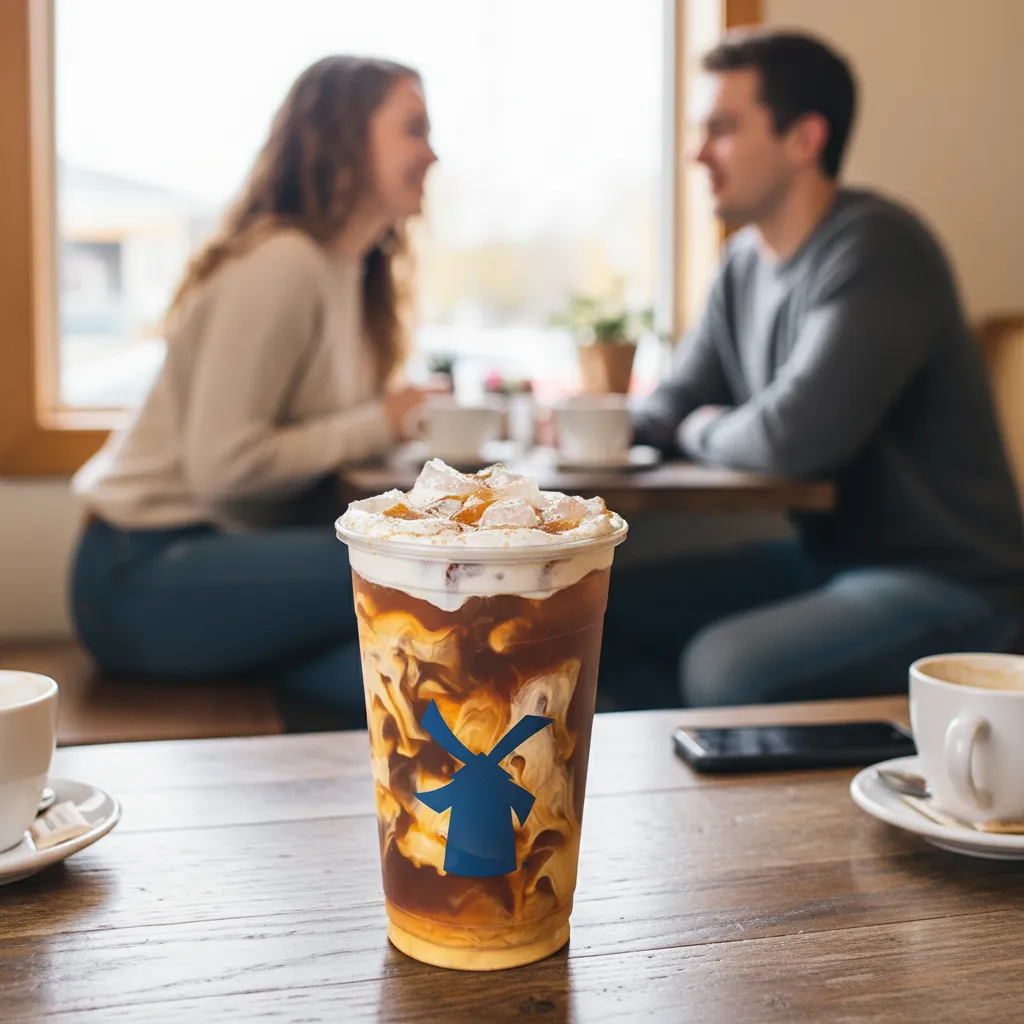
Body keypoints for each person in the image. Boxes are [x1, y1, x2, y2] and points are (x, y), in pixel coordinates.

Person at [600, 30, 1024, 709]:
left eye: (723, 129)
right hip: (830, 562)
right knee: (595, 608)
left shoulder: (879, 248)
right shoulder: (742, 265)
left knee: (725, 668)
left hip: (951, 581)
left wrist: (699, 429)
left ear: (803, 140)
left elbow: (792, 440)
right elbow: (674, 402)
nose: (696, 153)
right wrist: (602, 427)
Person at [69, 56, 439, 717]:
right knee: (414, 573)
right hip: (142, 570)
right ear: (347, 137)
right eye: (414, 129)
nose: (432, 154)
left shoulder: (349, 276)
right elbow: (225, 469)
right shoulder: (284, 263)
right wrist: (377, 423)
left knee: (389, 676)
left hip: (214, 556)